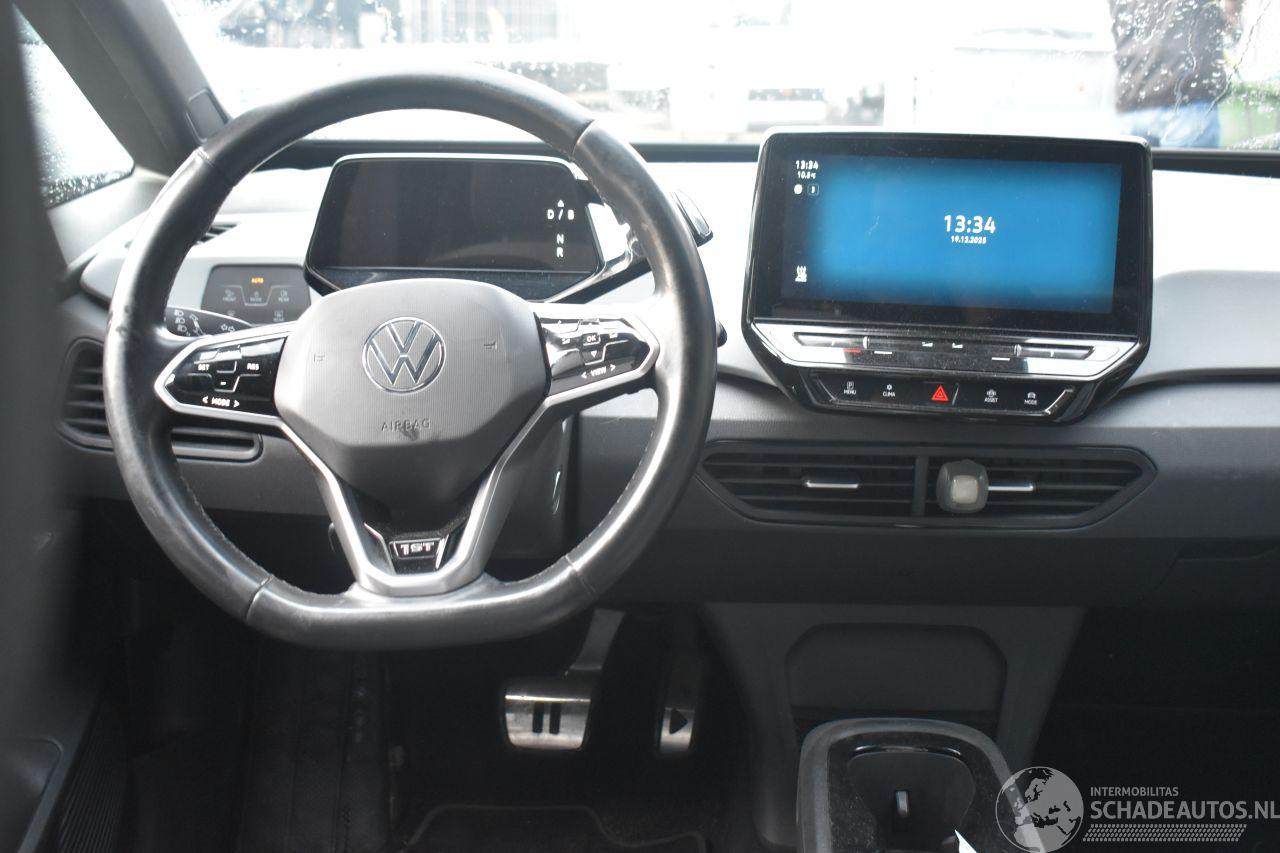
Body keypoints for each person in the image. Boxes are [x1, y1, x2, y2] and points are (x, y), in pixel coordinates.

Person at [1110, 0, 1242, 147]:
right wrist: (1230, 18)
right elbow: (1231, 12)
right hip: (1187, 97)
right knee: (1186, 163)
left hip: (1131, 97)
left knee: (1134, 163)